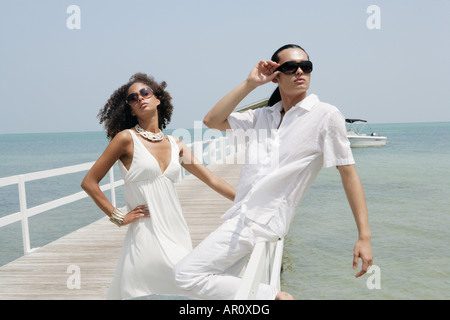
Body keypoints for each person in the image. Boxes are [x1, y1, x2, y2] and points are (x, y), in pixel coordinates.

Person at [173, 44, 373, 300]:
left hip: (263, 220)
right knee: (221, 287)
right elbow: (212, 121)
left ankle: (274, 296)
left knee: (184, 275)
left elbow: (349, 174)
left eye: (306, 67)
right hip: (242, 215)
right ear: (276, 76)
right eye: (290, 67)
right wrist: (250, 83)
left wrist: (364, 237)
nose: (300, 71)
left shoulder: (326, 115)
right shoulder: (264, 116)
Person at [81, 73, 236, 299]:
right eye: (133, 98)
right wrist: (118, 217)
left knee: (184, 284)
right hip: (145, 229)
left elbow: (211, 179)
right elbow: (89, 182)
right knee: (149, 289)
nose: (140, 98)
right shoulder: (126, 139)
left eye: (145, 92)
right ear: (131, 109)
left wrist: (246, 199)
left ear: (158, 99)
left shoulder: (176, 144)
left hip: (175, 227)